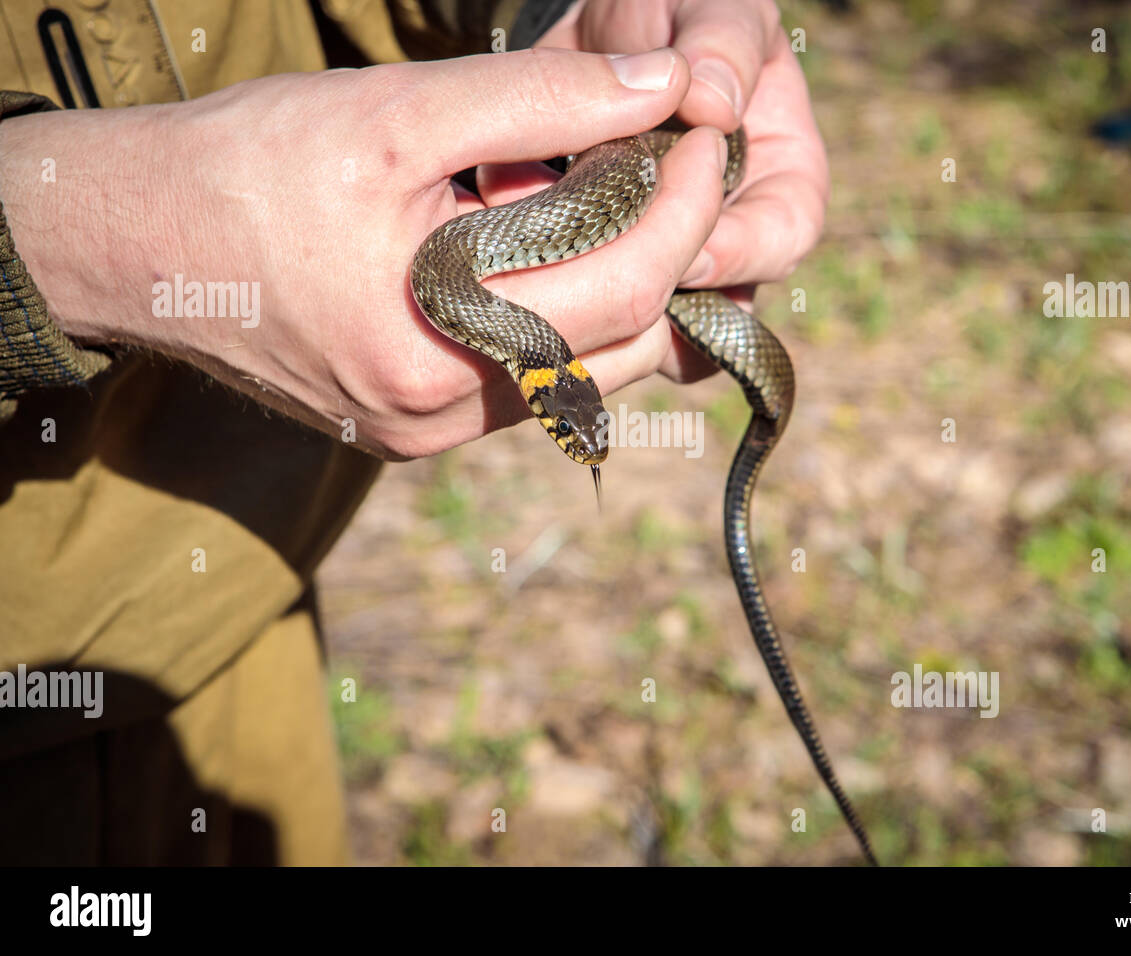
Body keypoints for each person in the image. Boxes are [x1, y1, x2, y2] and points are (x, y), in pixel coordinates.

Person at [0, 0, 828, 864]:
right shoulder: (472, 295)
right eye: (569, 434)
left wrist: (557, 8)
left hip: (247, 587)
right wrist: (70, 236)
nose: (579, 444)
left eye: (574, 433)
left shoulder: (496, 308)